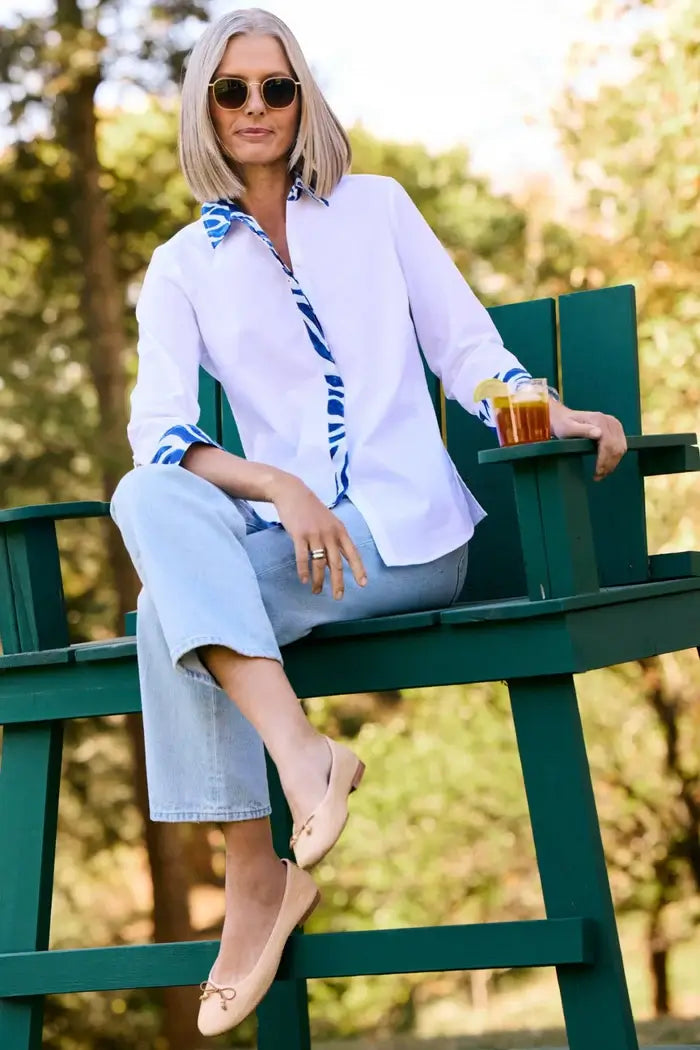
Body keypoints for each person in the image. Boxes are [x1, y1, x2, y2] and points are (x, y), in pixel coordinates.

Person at [110, 6, 627, 1037]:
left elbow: (466, 350)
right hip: (289, 542)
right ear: (204, 109)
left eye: (275, 87)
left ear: (304, 100)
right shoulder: (182, 265)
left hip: (402, 540)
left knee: (164, 617)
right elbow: (160, 435)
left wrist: (552, 412)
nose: (255, 108)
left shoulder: (377, 209)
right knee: (143, 496)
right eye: (232, 89)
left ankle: (256, 876)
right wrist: (278, 488)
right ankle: (303, 760)